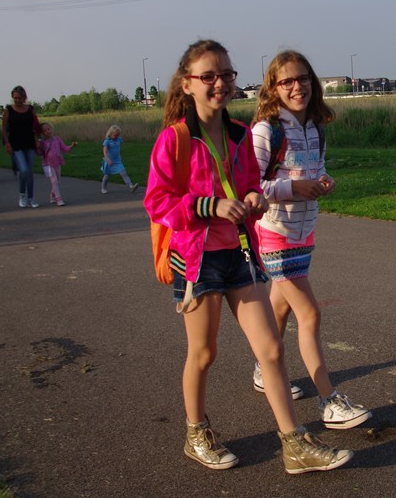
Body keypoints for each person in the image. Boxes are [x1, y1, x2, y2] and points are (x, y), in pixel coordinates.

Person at [143, 39, 352, 475]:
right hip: (197, 259)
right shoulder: (175, 139)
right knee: (204, 353)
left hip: (239, 253)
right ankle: (196, 433)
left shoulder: (239, 133)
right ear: (188, 84)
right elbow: (158, 201)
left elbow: (249, 185)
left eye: (226, 74)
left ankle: (294, 445)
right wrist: (211, 206)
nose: (220, 83)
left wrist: (254, 198)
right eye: (209, 76)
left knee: (271, 349)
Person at [251, 50, 372, 429]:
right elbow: (249, 187)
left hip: (305, 229)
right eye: (286, 81)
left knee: (281, 308)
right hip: (274, 232)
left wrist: (323, 181)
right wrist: (295, 188)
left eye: (302, 78)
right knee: (309, 313)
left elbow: (317, 169)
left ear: (312, 82)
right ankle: (329, 402)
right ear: (273, 88)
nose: (296, 87)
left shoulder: (317, 128)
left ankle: (263, 368)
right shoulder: (266, 130)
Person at [2, 85, 42, 208]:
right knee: (23, 169)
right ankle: (22, 195)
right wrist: (7, 143)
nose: (17, 100)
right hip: (16, 144)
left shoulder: (30, 109)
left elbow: (36, 125)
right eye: (15, 98)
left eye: (19, 98)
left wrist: (38, 139)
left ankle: (31, 198)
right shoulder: (8, 110)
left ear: (24, 97)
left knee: (29, 172)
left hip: (29, 143)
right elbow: (4, 129)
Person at [39, 122, 77, 206]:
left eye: (48, 129)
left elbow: (64, 148)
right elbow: (40, 153)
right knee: (54, 181)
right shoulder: (42, 142)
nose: (47, 131)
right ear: (42, 133)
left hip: (57, 162)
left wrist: (71, 146)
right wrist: (37, 146)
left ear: (51, 129)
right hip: (47, 164)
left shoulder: (57, 139)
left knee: (57, 181)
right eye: (45, 131)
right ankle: (59, 199)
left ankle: (52, 195)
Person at [100, 125, 139, 194]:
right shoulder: (107, 141)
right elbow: (105, 151)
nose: (116, 136)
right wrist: (107, 159)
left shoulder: (119, 139)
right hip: (109, 161)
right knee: (107, 175)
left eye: (118, 135)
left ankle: (131, 186)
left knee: (123, 173)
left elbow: (119, 147)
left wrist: (119, 155)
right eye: (115, 135)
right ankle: (103, 188)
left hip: (117, 160)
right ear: (111, 133)